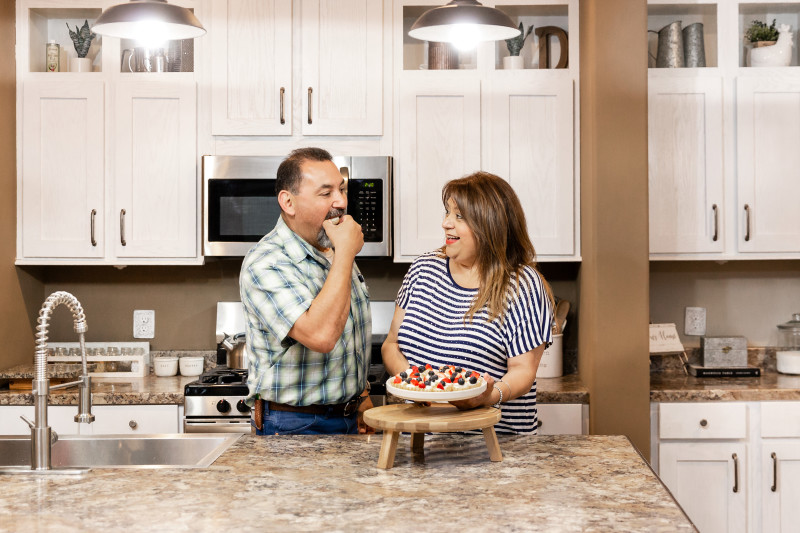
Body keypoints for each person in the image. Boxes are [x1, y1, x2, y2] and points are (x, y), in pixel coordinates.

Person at [382, 171, 554, 434]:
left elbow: (523, 371)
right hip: (419, 441)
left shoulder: (522, 285)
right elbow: (391, 345)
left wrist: (489, 395)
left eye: (459, 216)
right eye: (447, 213)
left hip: (494, 447)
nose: (446, 223)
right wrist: (422, 390)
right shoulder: (422, 269)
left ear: (490, 225)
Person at [240, 147, 373, 435]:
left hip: (347, 418)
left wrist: (361, 398)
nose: (340, 201)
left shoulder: (333, 250)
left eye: (341, 189)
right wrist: (346, 253)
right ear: (288, 202)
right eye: (326, 194)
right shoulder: (266, 262)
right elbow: (322, 336)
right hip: (293, 425)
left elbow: (347, 333)